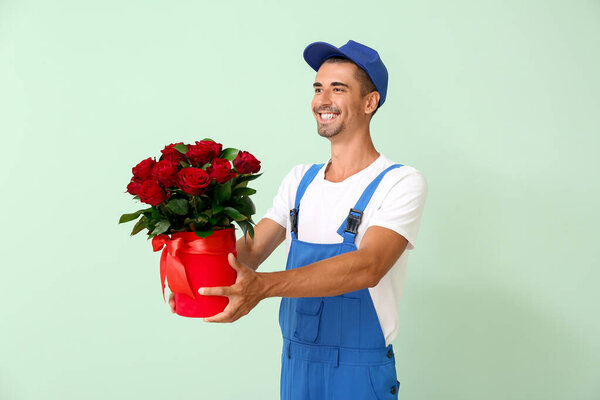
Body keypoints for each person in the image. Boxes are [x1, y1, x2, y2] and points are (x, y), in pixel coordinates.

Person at [170, 39, 428, 399]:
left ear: (370, 102)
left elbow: (368, 266)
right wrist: (190, 276)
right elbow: (248, 253)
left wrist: (264, 287)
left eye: (338, 89)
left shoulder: (399, 182)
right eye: (318, 88)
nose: (323, 100)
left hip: (359, 372)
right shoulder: (299, 181)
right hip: (296, 363)